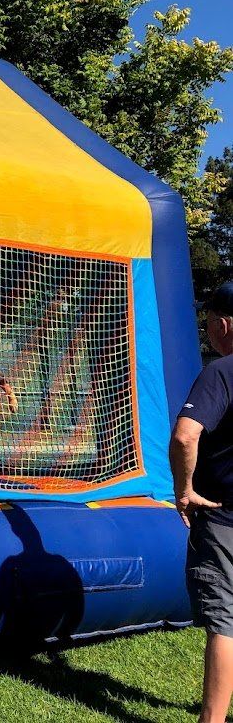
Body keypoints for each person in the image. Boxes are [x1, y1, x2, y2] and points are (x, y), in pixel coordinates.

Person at [170, 281, 233, 722]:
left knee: (225, 621)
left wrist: (185, 489)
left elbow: (185, 436)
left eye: (208, 322)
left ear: (222, 325)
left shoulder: (222, 371)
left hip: (223, 517)